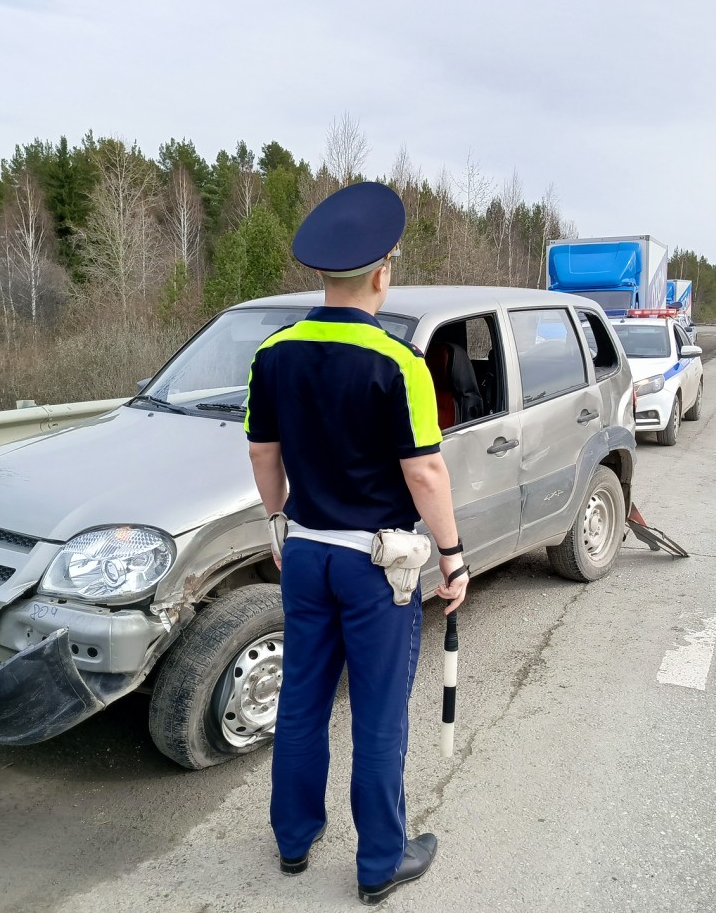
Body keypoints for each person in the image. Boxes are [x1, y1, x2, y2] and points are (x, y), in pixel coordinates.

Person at [245, 181, 469, 906]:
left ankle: (292, 837)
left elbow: (263, 457)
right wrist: (453, 555)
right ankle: (380, 860)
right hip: (379, 566)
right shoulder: (396, 362)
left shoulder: (273, 352)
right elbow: (424, 469)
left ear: (322, 276)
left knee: (304, 699)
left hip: (305, 554)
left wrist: (280, 522)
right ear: (382, 274)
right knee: (376, 709)